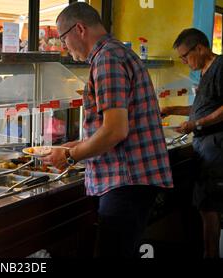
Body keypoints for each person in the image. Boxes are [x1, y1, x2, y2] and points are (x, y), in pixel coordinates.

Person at [40, 2, 173, 258]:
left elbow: (115, 131)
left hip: (125, 179)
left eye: (63, 39)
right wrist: (77, 144)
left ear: (79, 29)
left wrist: (70, 156)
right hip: (131, 178)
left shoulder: (107, 59)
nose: (64, 47)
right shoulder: (117, 52)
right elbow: (115, 124)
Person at [162, 28, 223, 258]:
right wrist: (171, 110)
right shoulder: (205, 72)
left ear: (200, 48)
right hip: (204, 144)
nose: (185, 62)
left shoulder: (220, 67)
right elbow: (201, 107)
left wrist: (196, 124)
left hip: (215, 146)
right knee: (205, 205)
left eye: (185, 56)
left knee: (210, 206)